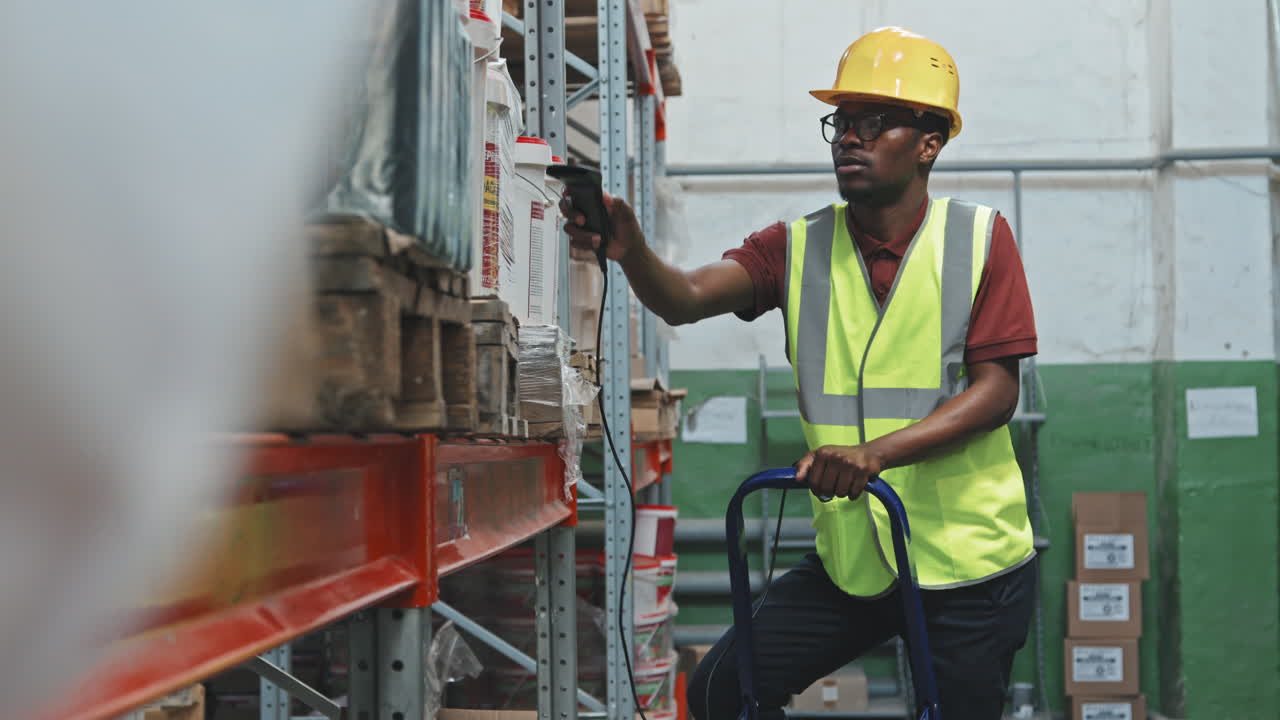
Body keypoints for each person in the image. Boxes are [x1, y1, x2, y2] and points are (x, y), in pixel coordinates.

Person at [565, 25, 1040, 719]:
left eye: (873, 123)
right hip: (854, 560)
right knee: (725, 687)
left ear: (931, 141)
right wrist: (630, 251)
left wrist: (874, 454)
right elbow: (688, 298)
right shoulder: (797, 247)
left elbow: (998, 391)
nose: (849, 138)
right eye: (841, 123)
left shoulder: (977, 239)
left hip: (968, 561)